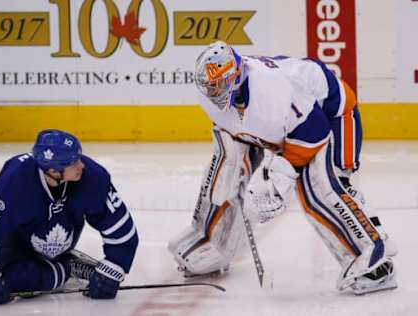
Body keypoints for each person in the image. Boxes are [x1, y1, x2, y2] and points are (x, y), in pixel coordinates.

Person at [168, 41, 397, 295]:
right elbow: (235, 132)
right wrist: (238, 172)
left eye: (218, 85)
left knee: (318, 188)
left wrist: (279, 178)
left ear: (234, 79)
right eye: (209, 86)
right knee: (225, 176)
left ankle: (373, 261)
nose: (212, 92)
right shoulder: (214, 96)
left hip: (331, 116)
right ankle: (213, 244)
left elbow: (315, 132)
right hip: (289, 126)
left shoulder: (271, 92)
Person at [0, 129, 138, 305]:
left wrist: (114, 267)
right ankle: (68, 268)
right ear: (53, 171)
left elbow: (123, 231)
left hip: (63, 236)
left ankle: (59, 262)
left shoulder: (92, 177)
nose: (82, 165)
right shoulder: (16, 184)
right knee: (17, 282)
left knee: (20, 282)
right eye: (74, 163)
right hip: (18, 244)